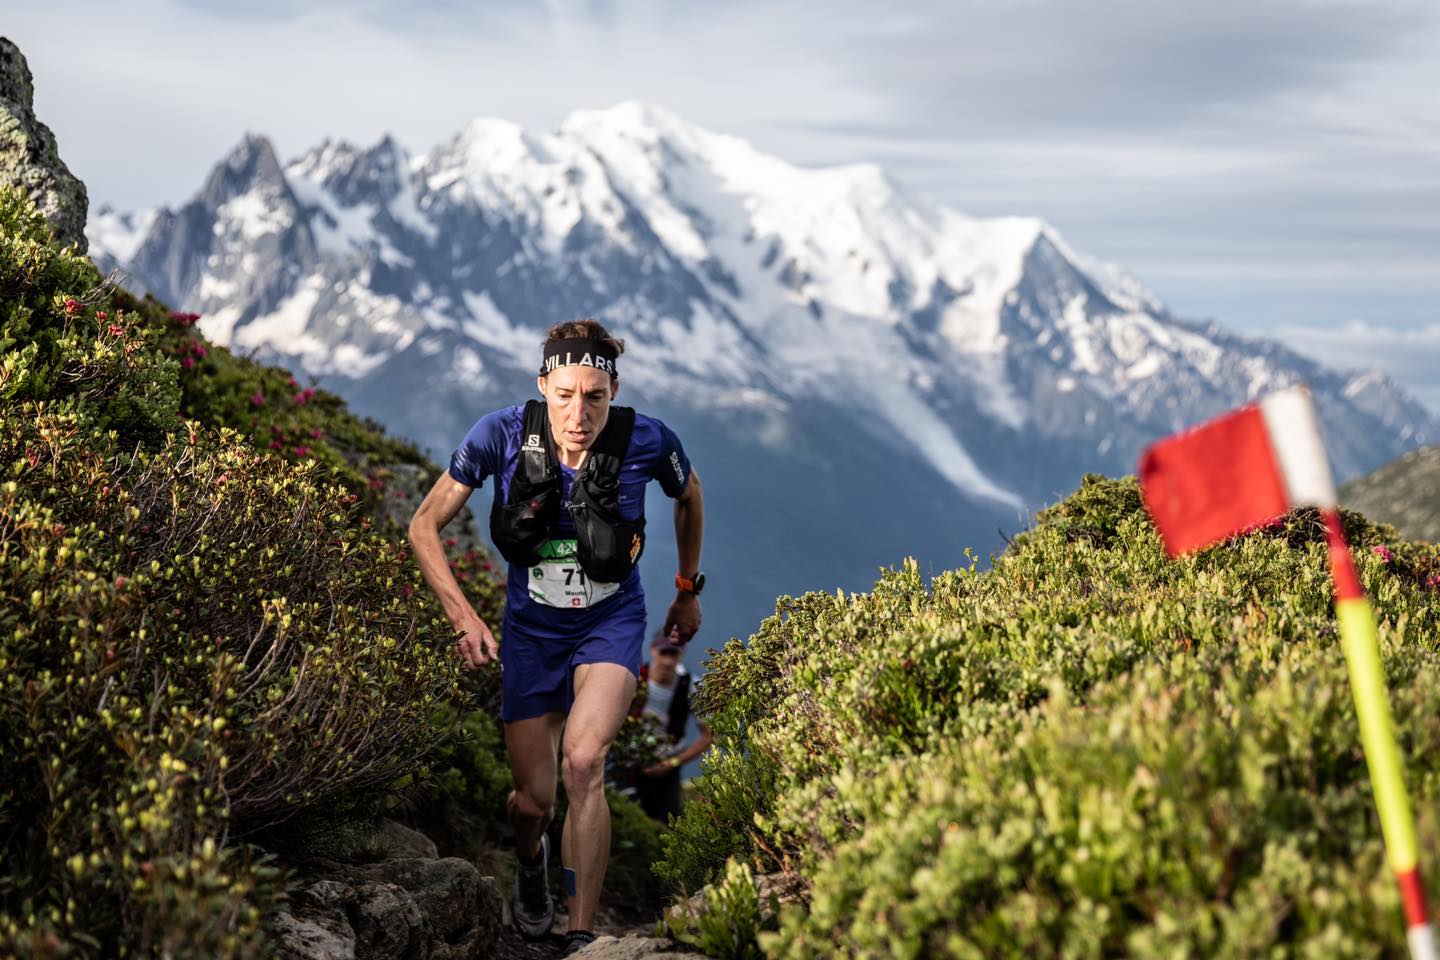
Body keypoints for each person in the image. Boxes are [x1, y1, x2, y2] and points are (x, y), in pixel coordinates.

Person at [407, 317, 705, 956]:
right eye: (565, 395)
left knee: (584, 761)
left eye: (595, 397)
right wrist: (464, 615)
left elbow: (690, 495)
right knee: (533, 802)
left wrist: (686, 588)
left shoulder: (647, 441)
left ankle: (581, 933)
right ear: (544, 384)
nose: (579, 413)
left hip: (611, 620)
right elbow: (423, 525)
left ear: (613, 391)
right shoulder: (500, 435)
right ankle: (530, 864)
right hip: (531, 632)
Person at [634, 628, 713, 822]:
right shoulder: (634, 678)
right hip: (629, 766)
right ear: (653, 650)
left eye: (674, 653)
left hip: (668, 770)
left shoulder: (692, 686)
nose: (668, 660)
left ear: (682, 654)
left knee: (668, 825)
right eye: (664, 652)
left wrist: (672, 763)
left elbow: (709, 736)